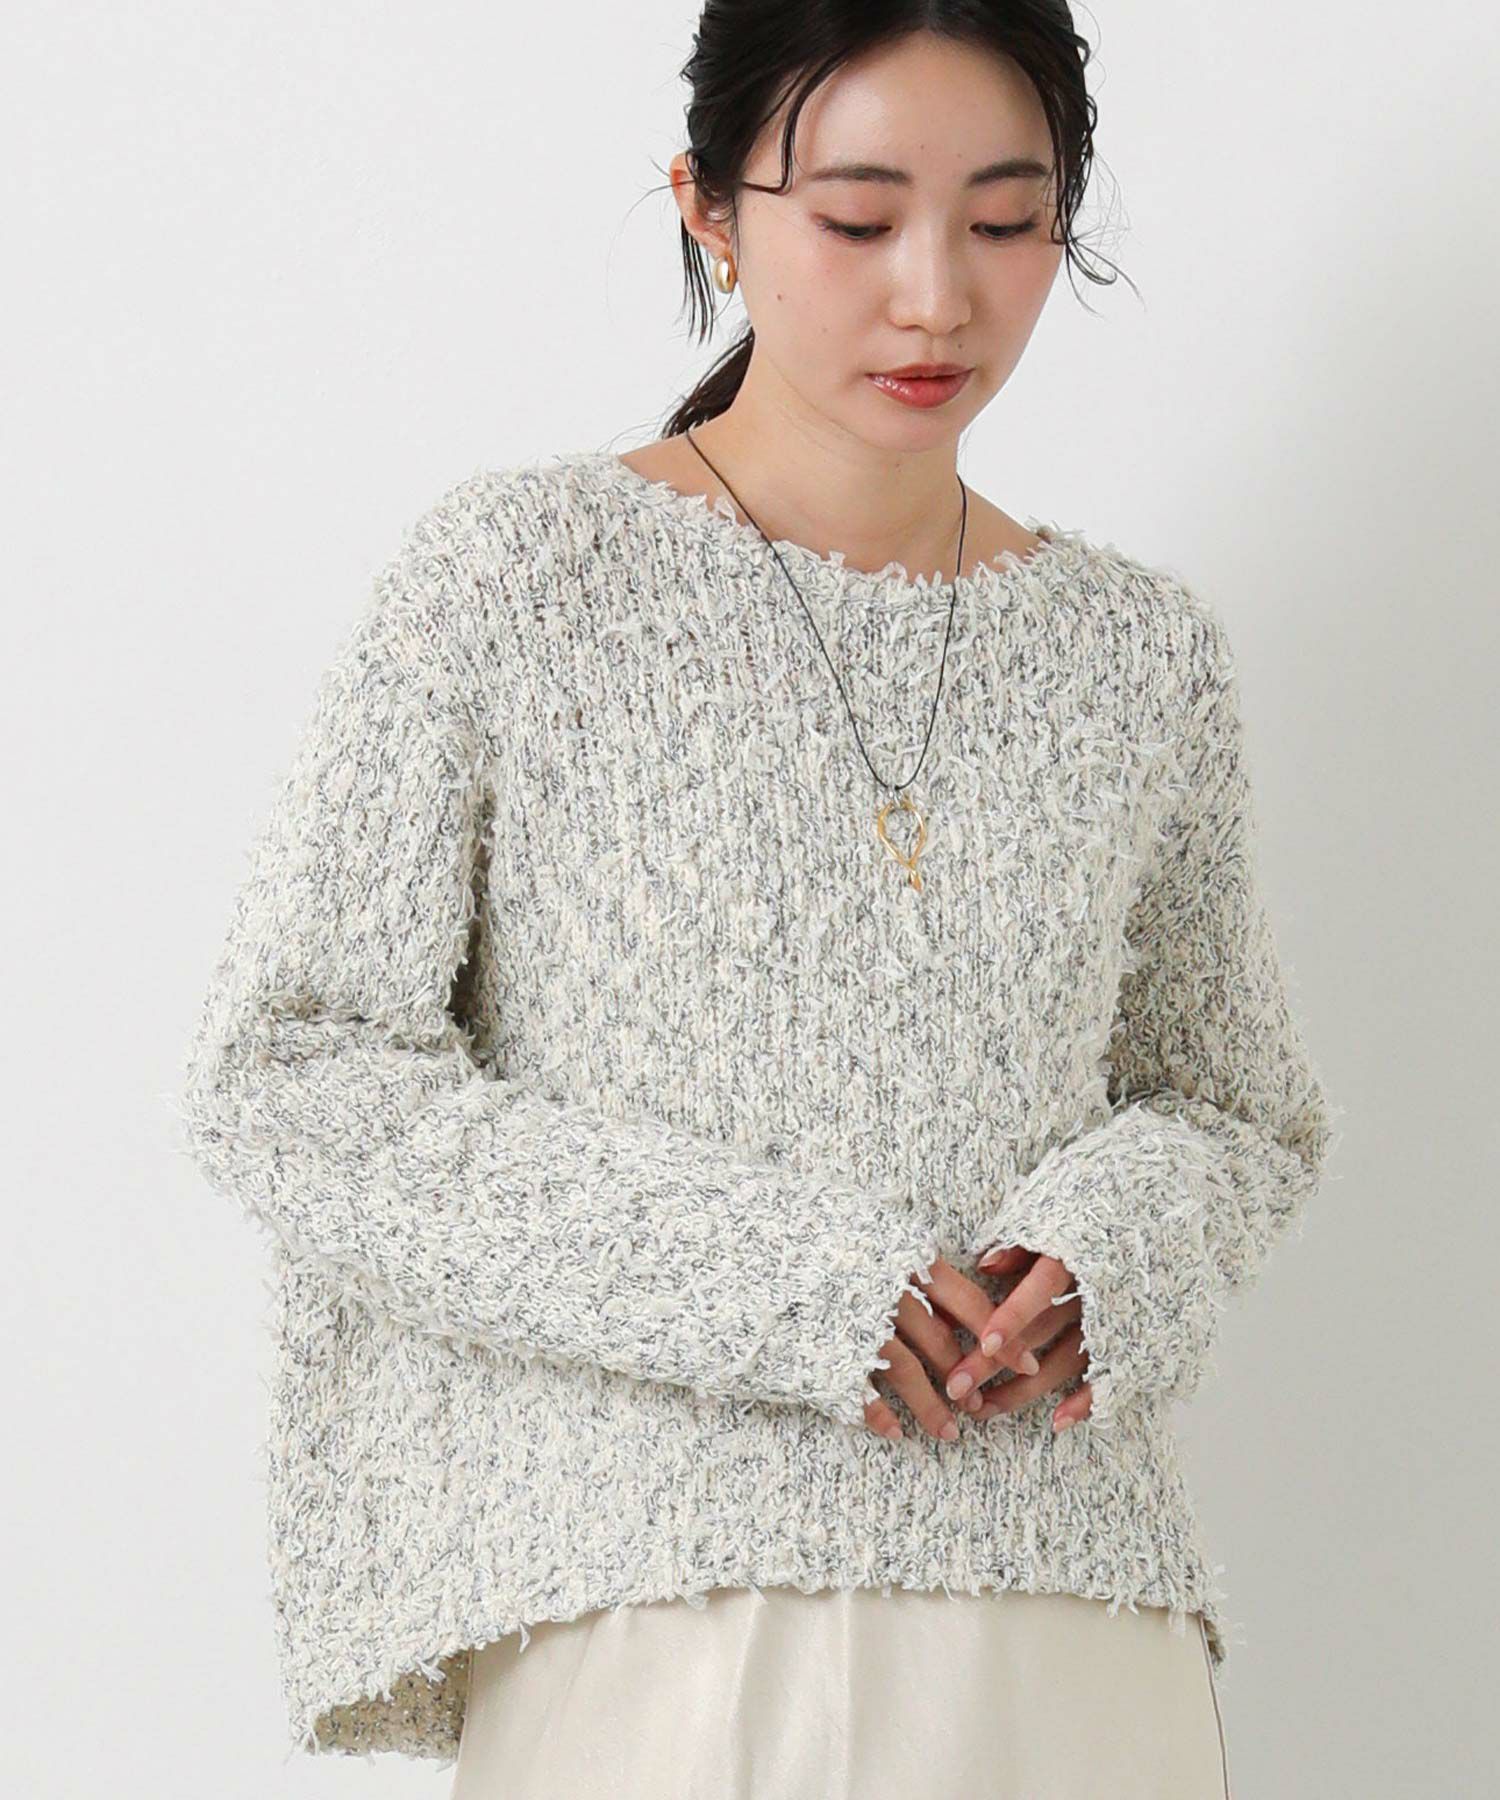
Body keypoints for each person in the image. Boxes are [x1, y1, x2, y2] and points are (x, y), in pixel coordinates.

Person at [177, 6, 1338, 1796]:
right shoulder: (521, 580)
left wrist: (1109, 1254)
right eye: (859, 219)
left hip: (1075, 1623)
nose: (937, 297)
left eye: (1006, 220)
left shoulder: (1139, 656)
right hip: (663, 1624)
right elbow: (293, 1073)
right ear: (709, 210)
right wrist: (788, 1289)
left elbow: (1233, 1106)